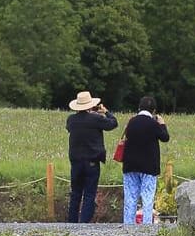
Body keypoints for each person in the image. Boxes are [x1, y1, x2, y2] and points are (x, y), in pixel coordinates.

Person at [64, 90, 116, 223]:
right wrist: (105, 112)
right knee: (89, 193)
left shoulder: (71, 120)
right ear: (91, 105)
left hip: (75, 162)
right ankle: (84, 222)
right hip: (92, 161)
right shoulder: (96, 119)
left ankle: (72, 221)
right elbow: (113, 123)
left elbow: (70, 128)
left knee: (75, 193)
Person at [120, 95, 169, 224]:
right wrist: (162, 124)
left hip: (130, 164)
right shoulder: (153, 124)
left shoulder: (131, 122)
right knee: (147, 197)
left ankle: (128, 224)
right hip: (148, 166)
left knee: (130, 197)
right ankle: (147, 225)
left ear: (139, 107)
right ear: (153, 111)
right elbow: (165, 137)